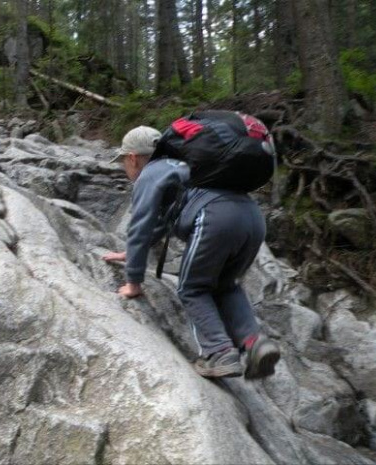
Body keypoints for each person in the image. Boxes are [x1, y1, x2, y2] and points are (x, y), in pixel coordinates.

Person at [103, 126, 281, 379]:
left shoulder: (151, 173)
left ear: (132, 158)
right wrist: (130, 255)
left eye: (124, 162)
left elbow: (141, 226)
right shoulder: (190, 165)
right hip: (252, 219)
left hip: (215, 219)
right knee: (226, 285)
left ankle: (219, 352)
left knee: (193, 288)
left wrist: (133, 281)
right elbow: (161, 223)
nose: (125, 168)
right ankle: (255, 343)